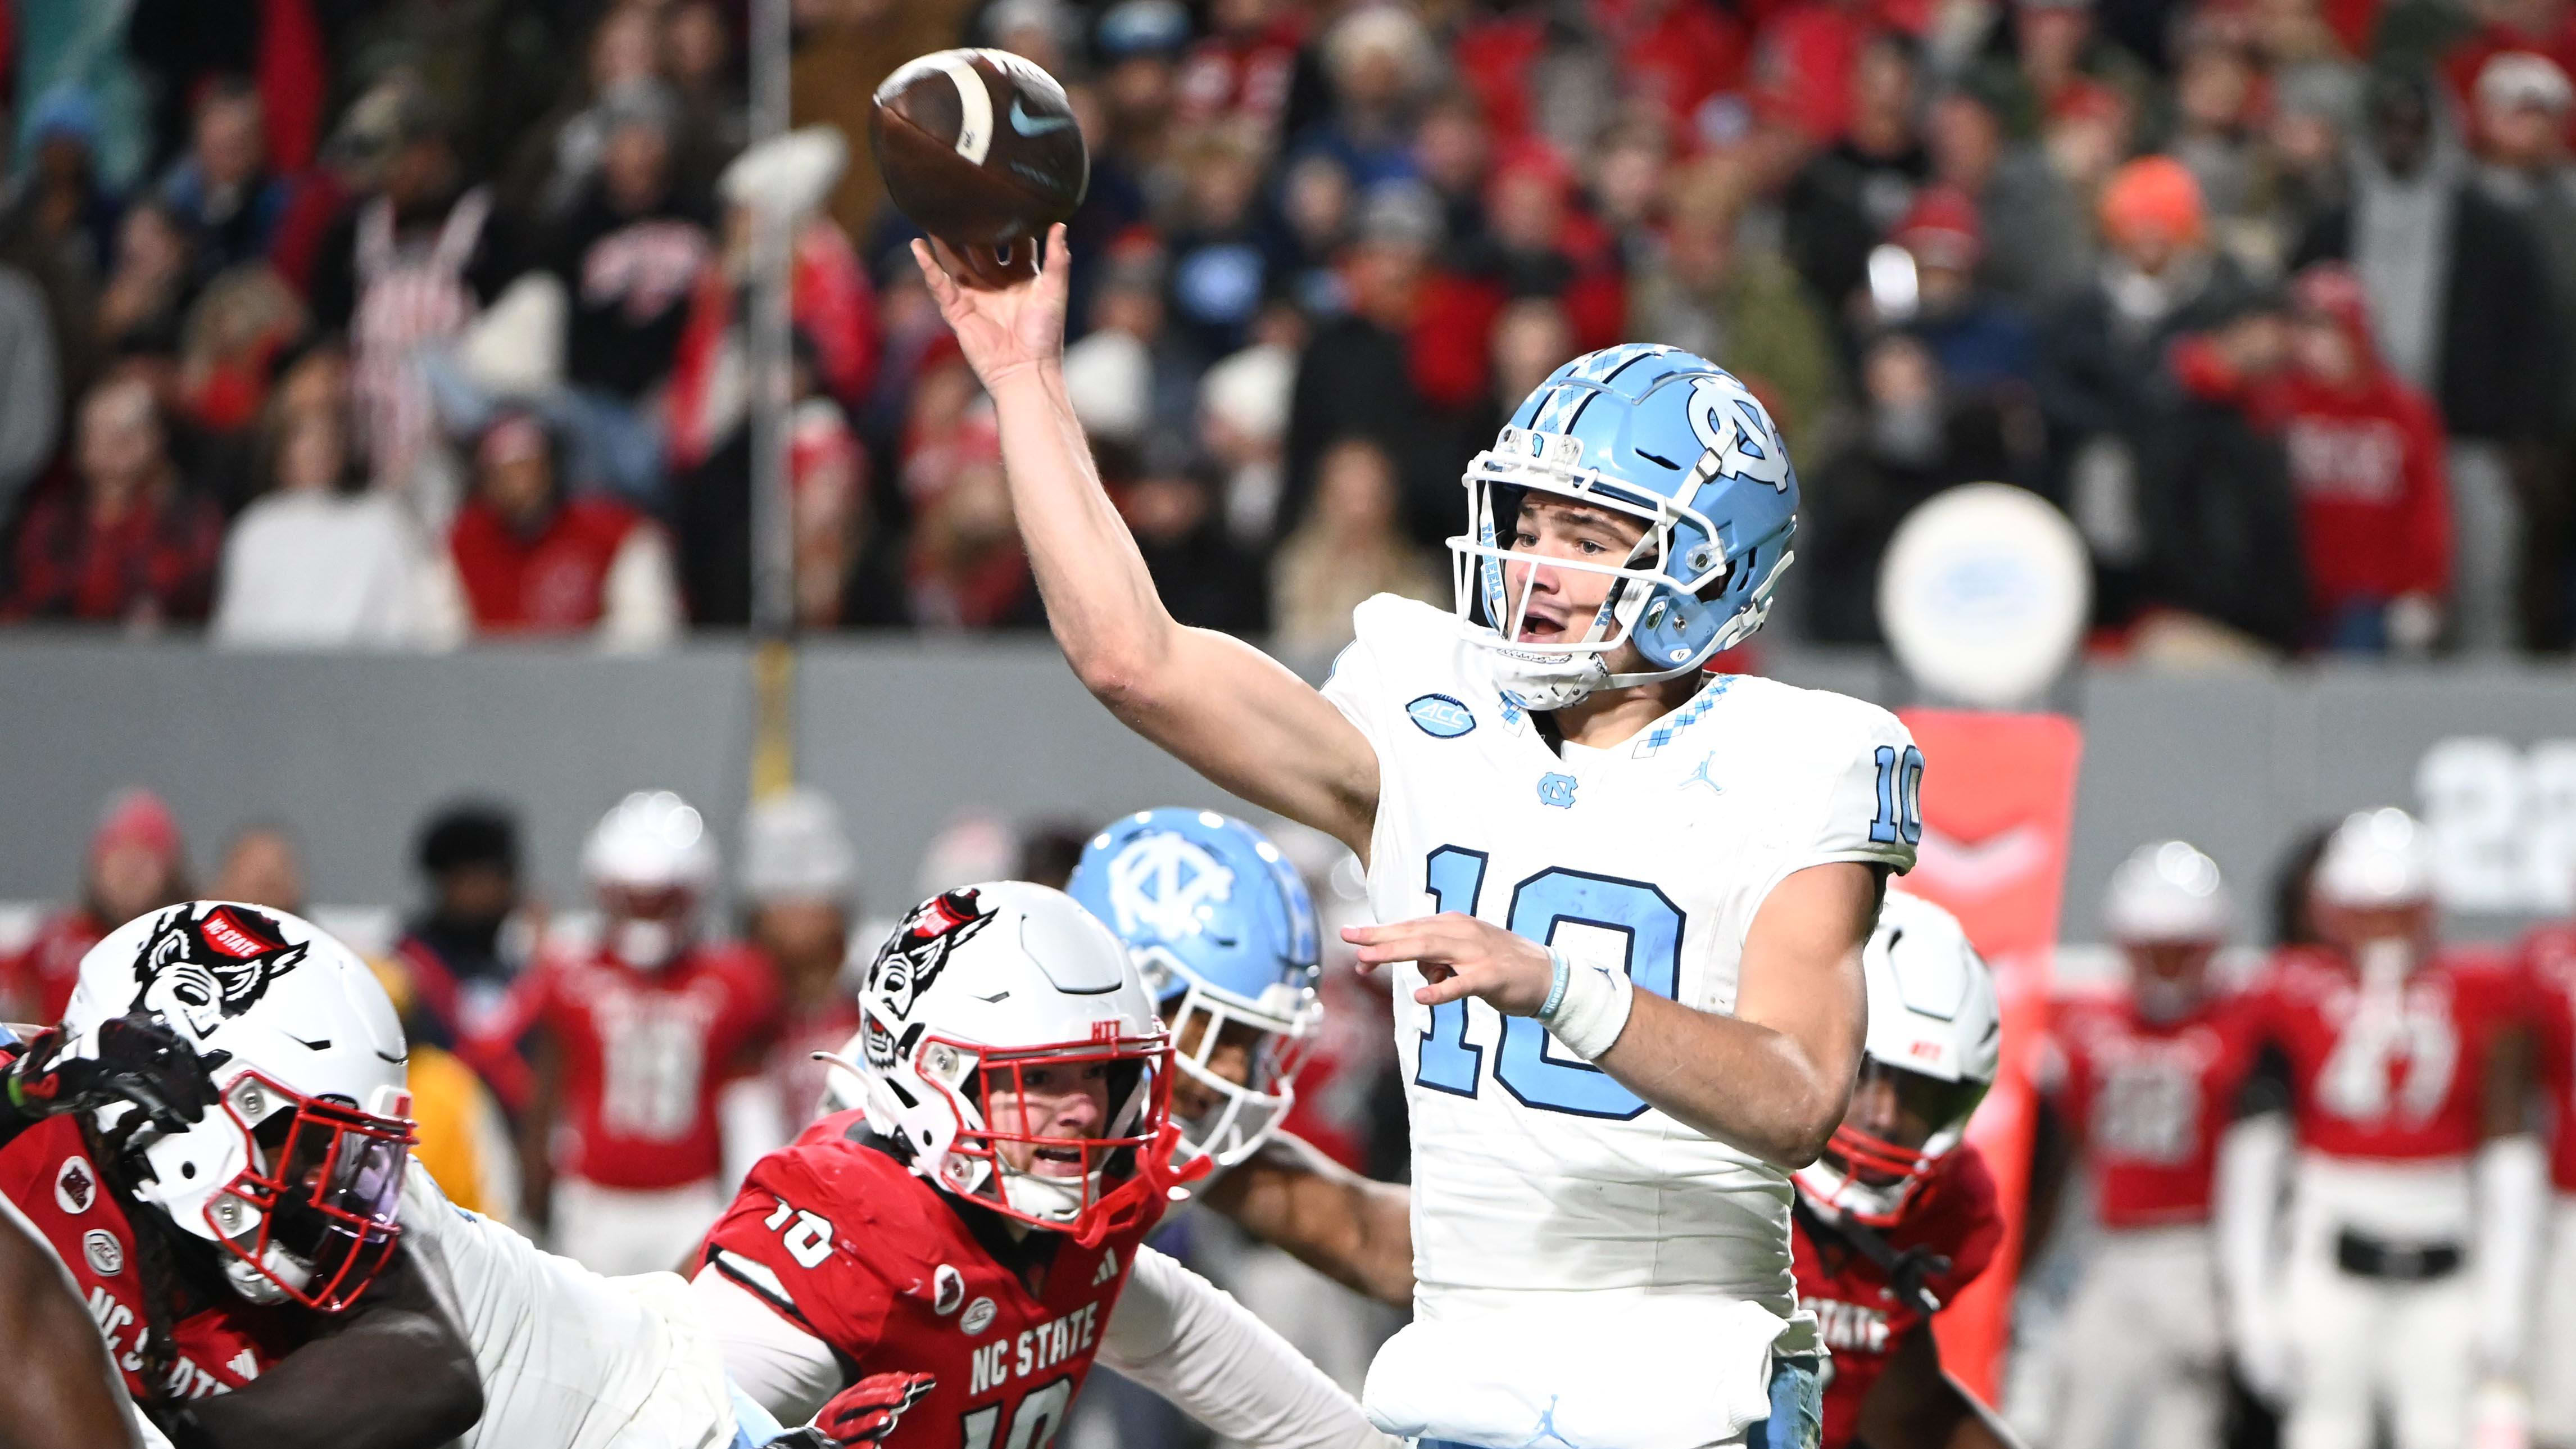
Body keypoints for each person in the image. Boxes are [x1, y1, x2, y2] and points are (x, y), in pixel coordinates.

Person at [915, 224, 1917, 1448]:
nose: (1537, 568)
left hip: (1688, 1386)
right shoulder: (1428, 701)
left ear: (1707, 570)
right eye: (1530, 524)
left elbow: (1797, 1092)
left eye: (1589, 542)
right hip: (1457, 1380)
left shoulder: (1799, 756)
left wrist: (1557, 987)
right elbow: (1138, 660)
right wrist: (1026, 381)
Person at [692, 882, 1400, 1449]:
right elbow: (660, 1414)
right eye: (1041, 1079)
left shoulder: (1075, 1239)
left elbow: (1306, 1421)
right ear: (935, 1074)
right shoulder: (851, 1238)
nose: (1085, 1110)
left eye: (1099, 1075)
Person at [0, 902, 482, 1446]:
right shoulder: (30, 1113)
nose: (327, 1178)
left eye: (344, 1146)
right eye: (310, 1142)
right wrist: (16, 1096)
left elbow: (434, 1363)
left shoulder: (313, 1272)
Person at [2217, 809, 2543, 1449]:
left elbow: (2511, 1153)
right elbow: (2252, 1161)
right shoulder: (2286, 992)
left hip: (2445, 1259)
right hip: (2331, 1256)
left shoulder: (2482, 990)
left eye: (2398, 909)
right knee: (2323, 1432)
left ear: (2431, 909)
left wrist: (2507, 1295)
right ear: (2330, 911)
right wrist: (2252, 1307)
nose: (2383, 930)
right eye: (2367, 910)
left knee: (2442, 1431)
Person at [1064, 808, 1413, 1303]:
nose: (1232, 1071)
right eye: (1217, 1030)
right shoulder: (999, 1105)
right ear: (1131, 994)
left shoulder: (1183, 1130)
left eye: (1251, 1042)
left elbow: (1371, 1241)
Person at [2031, 841, 2257, 1449]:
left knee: (2184, 1430)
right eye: (2149, 949)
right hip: (2109, 1248)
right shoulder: (2082, 1022)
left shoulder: (2244, 1020)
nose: (2163, 967)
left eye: (2180, 950)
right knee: (2081, 1423)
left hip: (2197, 1248)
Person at [497, 790, 781, 1274]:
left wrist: (755, 1202)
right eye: (634, 897)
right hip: (592, 1201)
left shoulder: (736, 980)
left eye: (660, 899)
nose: (646, 913)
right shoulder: (568, 974)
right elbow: (547, 1093)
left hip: (692, 1199)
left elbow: (750, 1105)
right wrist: (532, 1199)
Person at [1790, 891, 2015, 1449]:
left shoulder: (1954, 1211)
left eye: (1920, 1094)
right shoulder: (1715, 1164)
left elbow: (1900, 1407)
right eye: (1865, 1072)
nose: (1886, 1117)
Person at [3, 787, 189, 1024]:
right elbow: (24, 1038)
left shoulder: (189, 946)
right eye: (119, 854)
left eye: (145, 857)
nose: (129, 872)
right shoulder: (54, 946)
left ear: (171, 872)